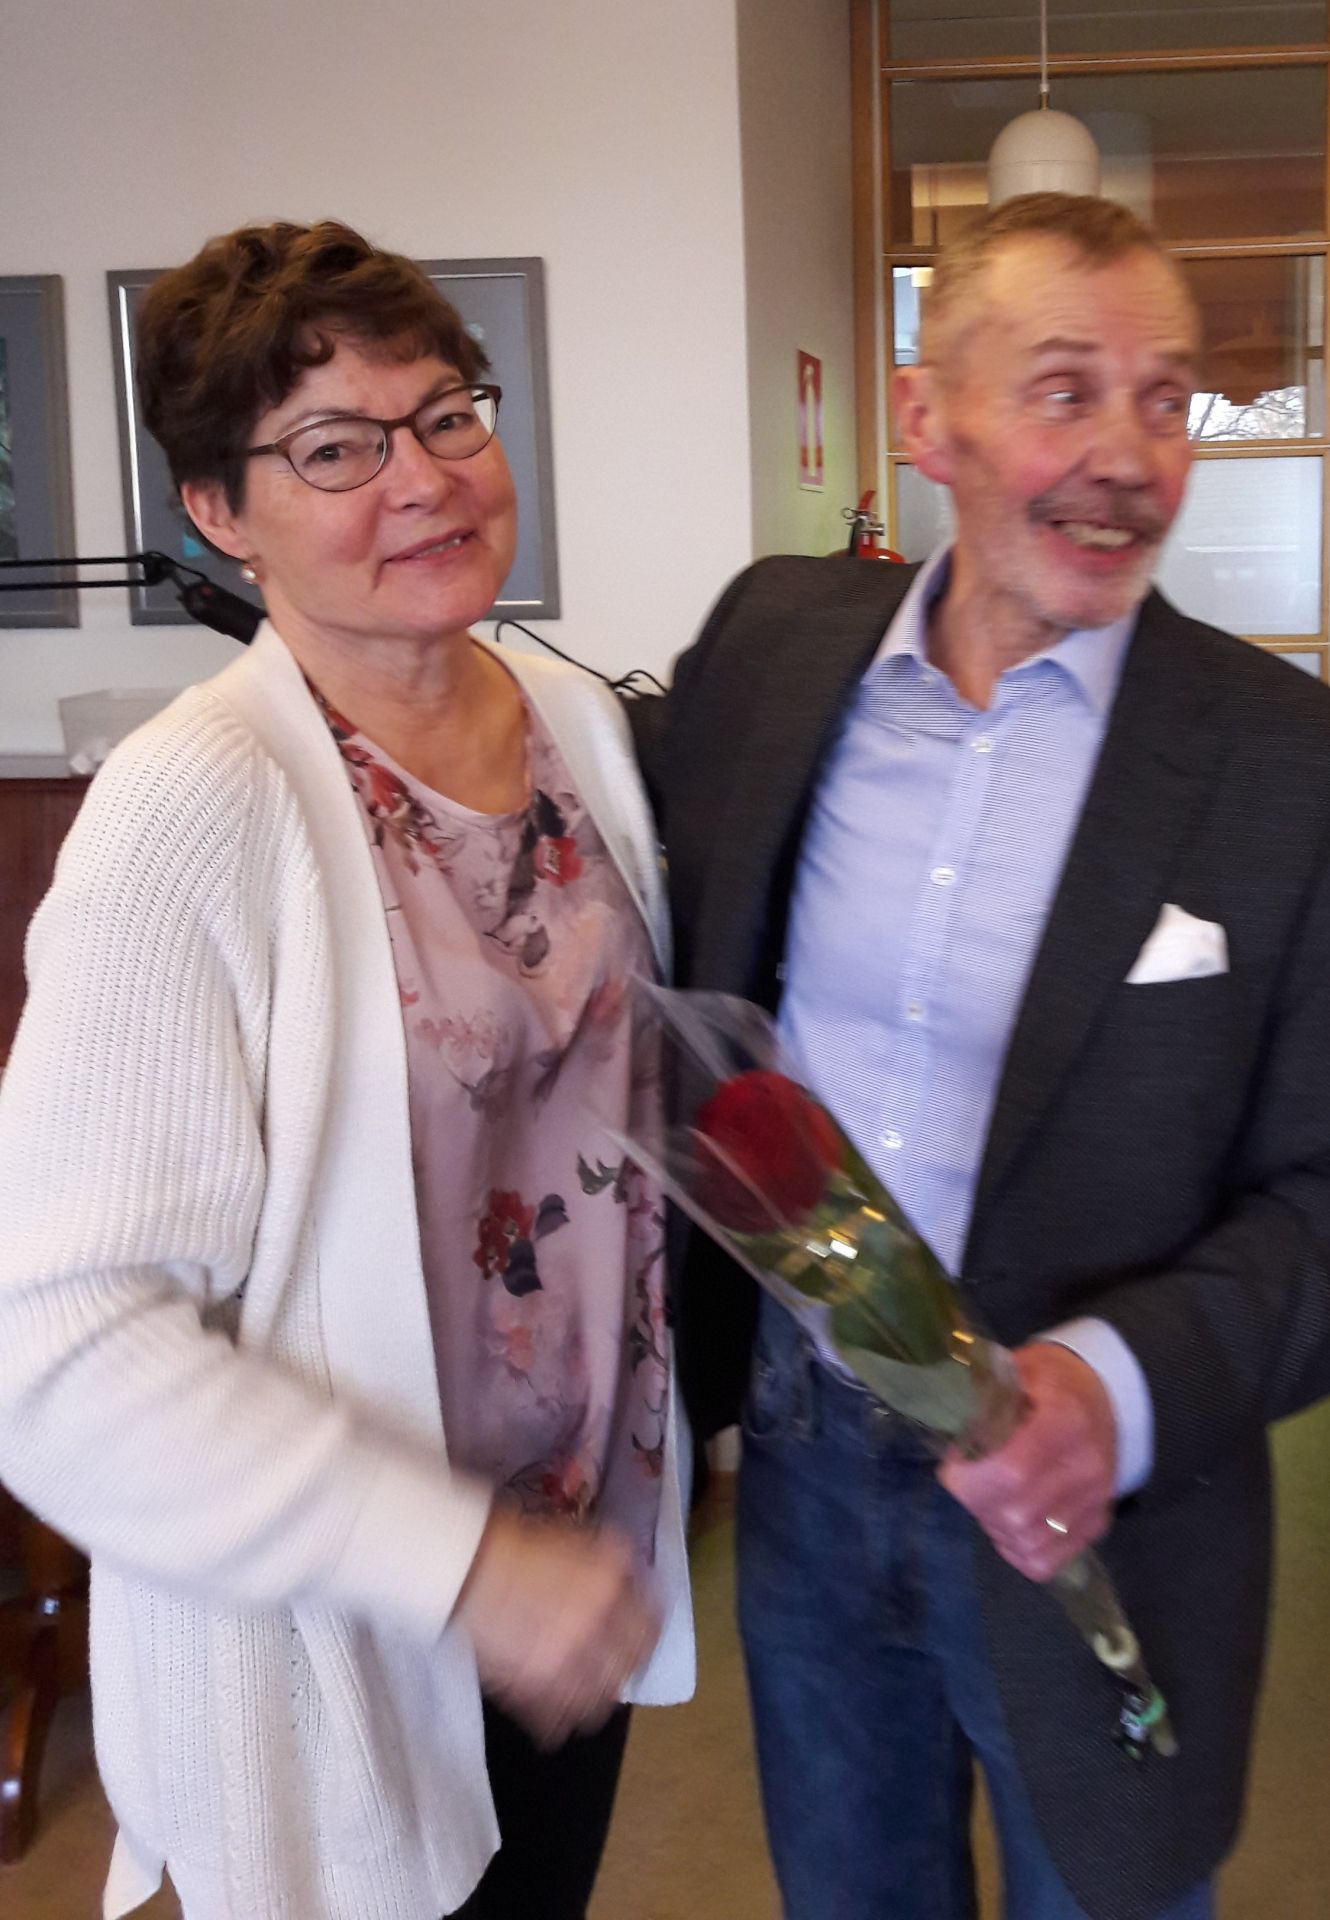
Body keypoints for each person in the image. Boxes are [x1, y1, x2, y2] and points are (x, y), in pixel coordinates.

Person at [631, 191, 1330, 1920]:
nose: (1128, 458)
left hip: (1106, 1507)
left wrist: (1112, 1385)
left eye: (1163, 398)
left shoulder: (1280, 763)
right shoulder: (769, 652)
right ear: (925, 417)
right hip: (800, 1458)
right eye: (1064, 389)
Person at [0, 220, 694, 1920]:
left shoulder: (575, 728)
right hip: (345, 1635)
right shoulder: (191, 804)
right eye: (333, 447)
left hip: (575, 1570)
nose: (424, 478)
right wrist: (462, 1567)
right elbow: (55, 1356)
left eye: (446, 413)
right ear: (217, 515)